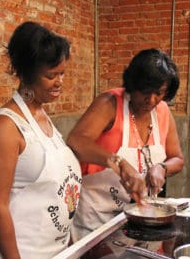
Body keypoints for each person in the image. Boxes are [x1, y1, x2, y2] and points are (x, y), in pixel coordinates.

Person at [0, 21, 81, 259]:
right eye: (52, 75)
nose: (60, 83)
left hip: (51, 252)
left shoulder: (42, 116)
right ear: (28, 73)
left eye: (63, 74)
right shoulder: (6, 127)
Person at [67, 48, 184, 241]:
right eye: (145, 92)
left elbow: (177, 159)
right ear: (133, 84)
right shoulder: (110, 103)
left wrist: (161, 168)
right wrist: (119, 163)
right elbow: (76, 141)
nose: (152, 100)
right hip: (95, 219)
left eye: (159, 93)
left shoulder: (162, 112)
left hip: (134, 219)